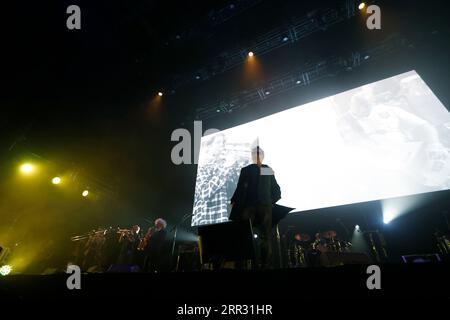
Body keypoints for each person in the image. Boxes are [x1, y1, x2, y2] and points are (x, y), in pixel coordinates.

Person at [229, 146, 281, 269]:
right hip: (249, 206)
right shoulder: (246, 170)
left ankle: (264, 264)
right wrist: (234, 201)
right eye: (254, 154)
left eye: (259, 154)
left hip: (265, 207)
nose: (257, 156)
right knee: (244, 235)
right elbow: (240, 187)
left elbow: (275, 189)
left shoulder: (267, 169)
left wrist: (270, 202)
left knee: (265, 237)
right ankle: (241, 264)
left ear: (263, 156)